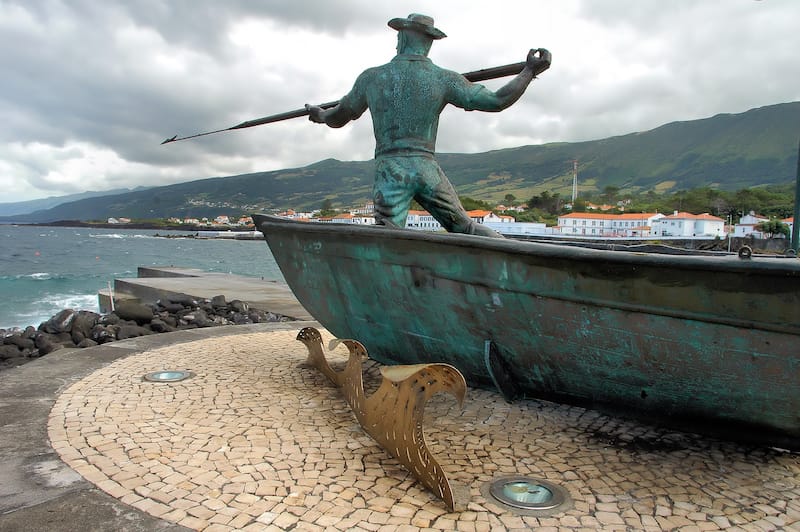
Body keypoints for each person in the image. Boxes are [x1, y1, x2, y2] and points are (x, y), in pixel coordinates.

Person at [306, 13, 551, 237]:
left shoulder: (371, 78)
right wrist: (529, 71)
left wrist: (320, 114)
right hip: (426, 169)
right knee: (466, 227)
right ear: (429, 42)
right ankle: (511, 255)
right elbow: (498, 101)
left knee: (386, 233)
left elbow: (338, 118)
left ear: (401, 38)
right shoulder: (445, 78)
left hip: (391, 168)